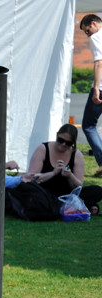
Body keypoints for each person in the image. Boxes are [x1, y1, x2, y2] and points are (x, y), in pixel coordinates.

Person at [80, 15, 102, 177]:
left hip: (101, 88)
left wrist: (96, 88)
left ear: (94, 23)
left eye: (87, 30)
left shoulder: (96, 37)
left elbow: (99, 63)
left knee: (88, 125)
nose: (88, 35)